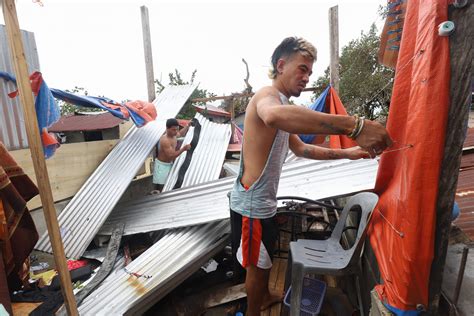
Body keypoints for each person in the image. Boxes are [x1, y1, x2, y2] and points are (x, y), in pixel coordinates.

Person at [229, 37, 392, 315]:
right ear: (281, 65)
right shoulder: (267, 97)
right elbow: (272, 116)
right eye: (302, 68)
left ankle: (266, 295)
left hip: (264, 204)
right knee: (256, 267)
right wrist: (353, 125)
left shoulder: (283, 104)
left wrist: (348, 153)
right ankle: (253, 311)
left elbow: (302, 148)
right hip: (251, 208)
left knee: (265, 262)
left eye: (310, 72)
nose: (306, 77)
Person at [152, 118, 192, 192]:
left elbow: (180, 134)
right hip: (162, 167)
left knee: (169, 186)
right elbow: (171, 156)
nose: (176, 131)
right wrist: (183, 149)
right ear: (167, 128)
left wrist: (187, 126)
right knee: (161, 189)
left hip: (169, 164)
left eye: (177, 129)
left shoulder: (173, 135)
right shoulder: (165, 140)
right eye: (174, 130)